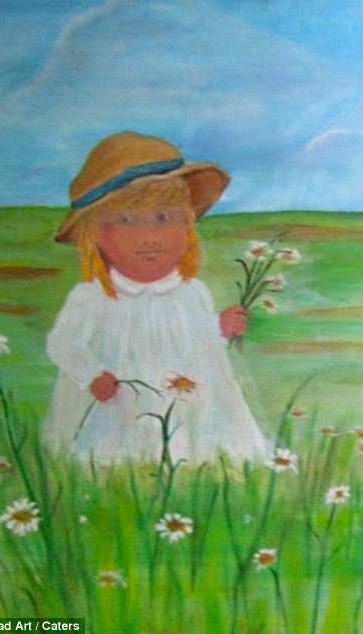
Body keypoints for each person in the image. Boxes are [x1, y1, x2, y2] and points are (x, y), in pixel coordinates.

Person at [41, 131, 269, 465]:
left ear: (187, 227)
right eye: (125, 221)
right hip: (121, 405)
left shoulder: (192, 293)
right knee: (120, 460)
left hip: (189, 408)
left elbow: (197, 346)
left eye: (164, 218)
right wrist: (91, 374)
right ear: (96, 235)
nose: (148, 237)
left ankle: (201, 464)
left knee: (204, 453)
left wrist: (217, 328)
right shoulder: (92, 299)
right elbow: (63, 343)